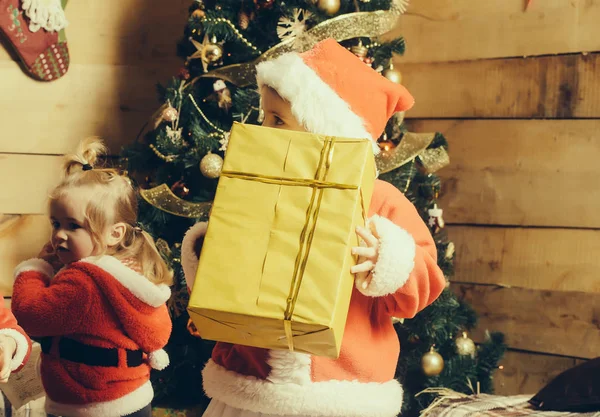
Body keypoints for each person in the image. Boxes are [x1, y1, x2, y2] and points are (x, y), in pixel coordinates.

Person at [181, 38, 447, 417]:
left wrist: (389, 259)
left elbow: (424, 283)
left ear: (324, 127)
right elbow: (223, 286)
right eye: (264, 117)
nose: (264, 129)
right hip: (249, 385)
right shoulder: (252, 187)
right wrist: (209, 250)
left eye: (277, 120)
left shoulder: (380, 199)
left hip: (339, 393)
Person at [12, 137, 173, 417]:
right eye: (56, 223)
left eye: (73, 226)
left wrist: (34, 269)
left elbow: (30, 314)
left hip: (88, 406)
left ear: (115, 233)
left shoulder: (83, 282)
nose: (59, 234)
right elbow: (156, 333)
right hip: (132, 399)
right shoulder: (131, 274)